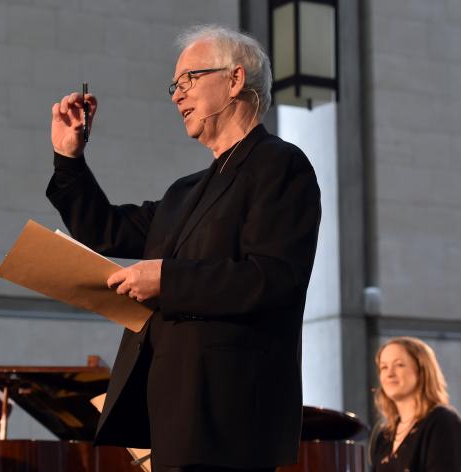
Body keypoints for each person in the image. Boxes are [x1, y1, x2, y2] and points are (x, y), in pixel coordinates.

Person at [46, 24, 321, 472]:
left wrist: (166, 279)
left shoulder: (280, 164)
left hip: (231, 416)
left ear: (235, 81)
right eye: (175, 85)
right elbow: (106, 230)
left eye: (189, 80)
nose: (177, 95)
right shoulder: (184, 192)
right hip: (173, 412)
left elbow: (273, 278)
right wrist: (68, 159)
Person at [369, 336, 461, 472]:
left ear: (422, 370)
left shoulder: (443, 422)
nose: (389, 374)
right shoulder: (384, 435)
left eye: (399, 365)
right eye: (384, 367)